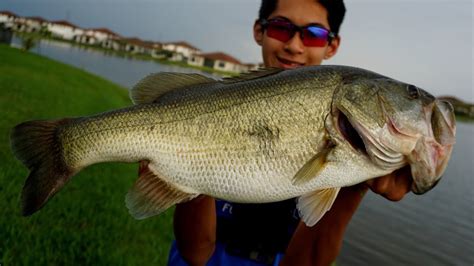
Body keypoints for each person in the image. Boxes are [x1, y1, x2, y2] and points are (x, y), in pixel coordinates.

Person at [163, 0, 413, 265]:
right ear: (259, 31)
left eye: (314, 34)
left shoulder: (342, 128)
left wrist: (359, 179)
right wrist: (182, 169)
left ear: (332, 45)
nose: (294, 45)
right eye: (281, 28)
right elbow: (196, 254)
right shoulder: (217, 107)